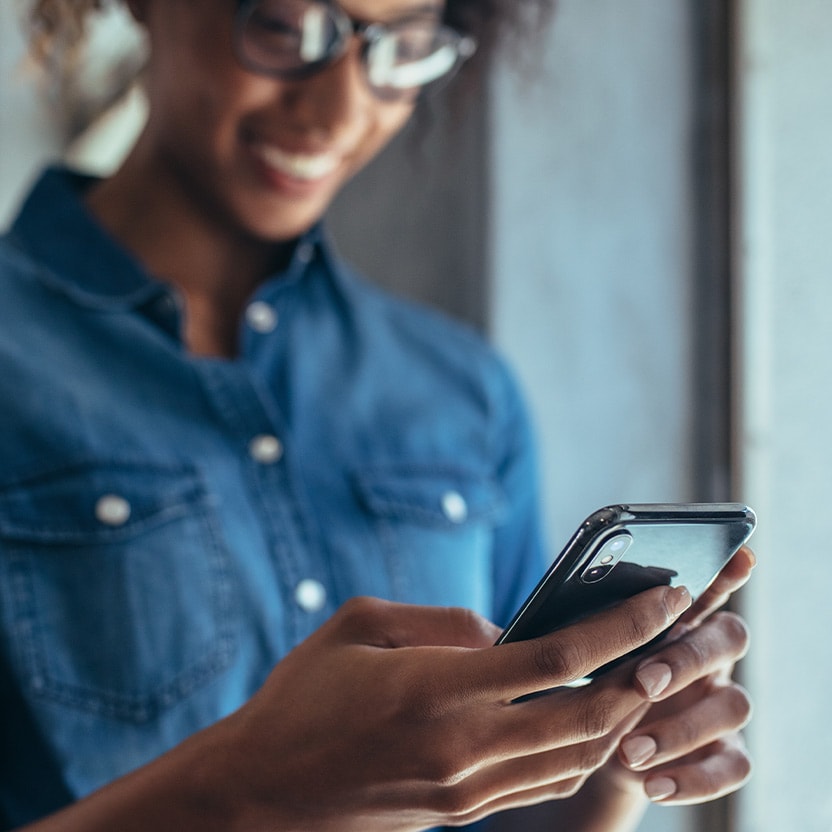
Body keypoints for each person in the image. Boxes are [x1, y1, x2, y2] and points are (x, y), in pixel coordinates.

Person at [0, 0, 755, 829]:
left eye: (402, 49)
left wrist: (605, 757)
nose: (338, 111)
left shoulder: (462, 390)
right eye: (284, 28)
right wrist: (249, 789)